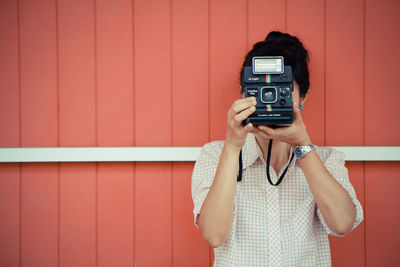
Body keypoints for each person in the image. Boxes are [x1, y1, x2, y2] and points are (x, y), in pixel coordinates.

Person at [191, 31, 363, 266]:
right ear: (244, 93)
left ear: (303, 97)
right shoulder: (214, 155)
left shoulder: (327, 159)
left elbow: (343, 223)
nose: (270, 97)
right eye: (261, 88)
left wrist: (302, 146)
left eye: (282, 90)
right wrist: (232, 146)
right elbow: (213, 235)